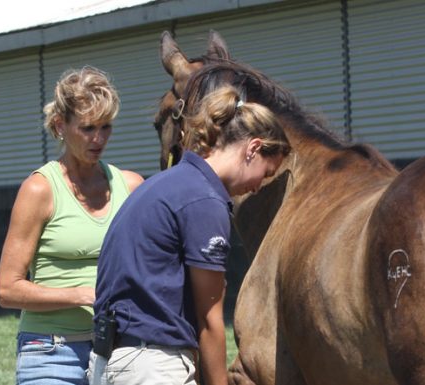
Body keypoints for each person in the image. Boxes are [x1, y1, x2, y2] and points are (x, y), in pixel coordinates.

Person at [89, 84, 291, 385]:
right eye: (266, 172)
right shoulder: (205, 201)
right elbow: (209, 320)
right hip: (152, 366)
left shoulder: (162, 185)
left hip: (108, 361)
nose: (258, 186)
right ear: (253, 148)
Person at [0, 66, 143, 385]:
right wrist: (81, 294)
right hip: (51, 351)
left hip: (118, 349)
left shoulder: (130, 186)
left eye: (106, 127)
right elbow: (7, 290)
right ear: (61, 126)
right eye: (88, 128)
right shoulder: (39, 190)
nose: (99, 138)